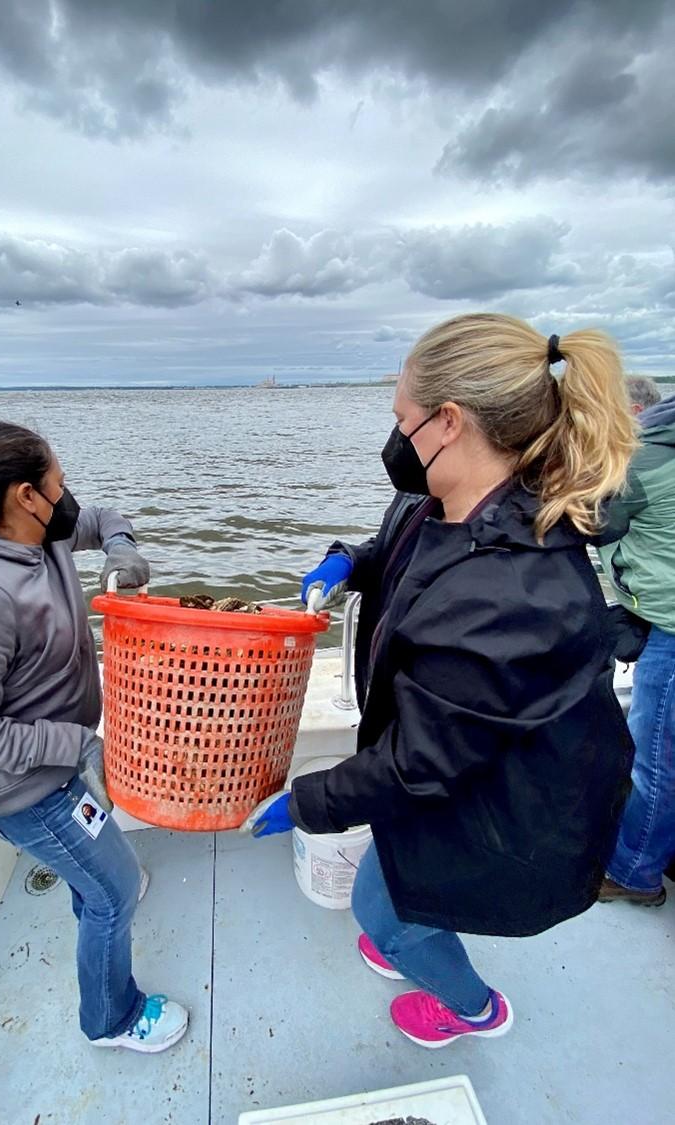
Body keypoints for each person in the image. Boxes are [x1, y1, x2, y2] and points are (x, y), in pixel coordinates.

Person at [250, 314, 637, 1049]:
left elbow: (420, 765)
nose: (395, 437)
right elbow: (398, 548)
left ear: (448, 420)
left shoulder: (509, 592)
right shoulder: (439, 497)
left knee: (381, 907)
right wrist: (346, 562)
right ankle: (415, 927)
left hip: (497, 798)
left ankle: (471, 1006)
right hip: (457, 760)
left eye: (403, 418)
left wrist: (306, 801)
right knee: (400, 885)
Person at [0, 419, 188, 1053]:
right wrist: (74, 745)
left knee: (104, 872)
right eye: (58, 481)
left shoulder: (43, 537)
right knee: (113, 892)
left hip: (56, 766)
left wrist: (123, 549)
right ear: (26, 495)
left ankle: (94, 886)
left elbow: (103, 516)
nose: (67, 492)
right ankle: (112, 1019)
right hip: (19, 791)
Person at [597, 389, 675, 905]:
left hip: (670, 632)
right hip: (658, 618)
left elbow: (580, 519)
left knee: (652, 757)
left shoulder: (643, 457)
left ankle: (634, 873)